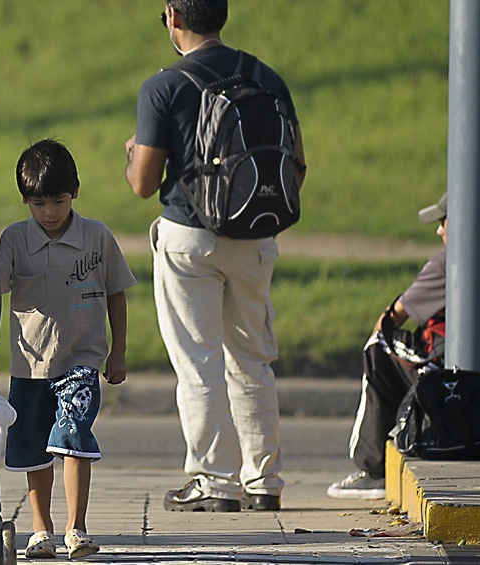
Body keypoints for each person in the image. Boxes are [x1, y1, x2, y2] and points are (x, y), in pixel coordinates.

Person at [124, 0, 306, 513]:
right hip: (255, 240)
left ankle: (214, 481)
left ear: (172, 16)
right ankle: (264, 482)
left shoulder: (163, 86)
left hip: (189, 239)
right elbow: (297, 167)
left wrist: (131, 153)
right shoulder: (267, 78)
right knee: (253, 359)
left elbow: (142, 184)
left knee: (199, 364)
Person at [0, 139, 136, 559]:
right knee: (35, 447)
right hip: (30, 365)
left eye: (57, 200)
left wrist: (119, 352)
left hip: (82, 360)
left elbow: (116, 293)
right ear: (25, 200)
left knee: (73, 433)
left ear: (75, 190)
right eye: (39, 203)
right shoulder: (15, 240)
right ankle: (42, 529)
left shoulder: (97, 237)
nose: (50, 212)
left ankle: (77, 527)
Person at [327, 192, 448, 500]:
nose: (438, 230)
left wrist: (379, 331)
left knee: (378, 349)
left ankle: (373, 468)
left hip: (447, 372)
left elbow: (394, 317)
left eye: (443, 222)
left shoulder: (446, 264)